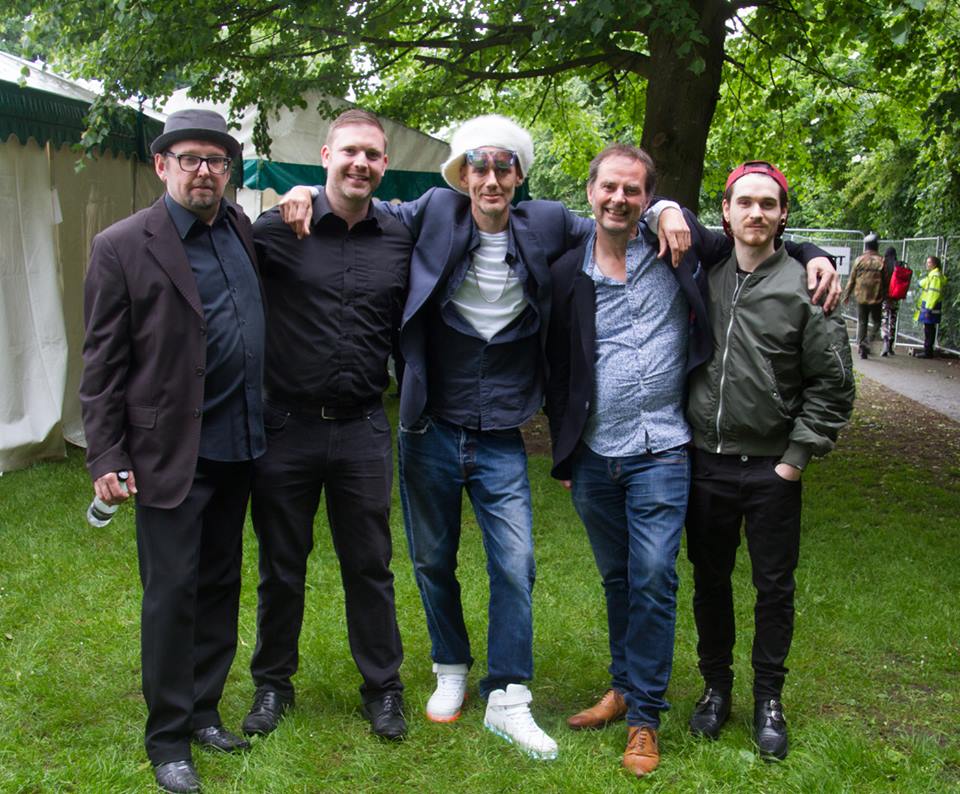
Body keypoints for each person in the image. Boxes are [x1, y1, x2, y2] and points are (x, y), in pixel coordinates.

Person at [278, 121, 838, 761]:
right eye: (480, 167)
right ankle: (493, 672)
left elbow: (736, 233)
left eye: (505, 168)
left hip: (590, 440)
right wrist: (306, 192)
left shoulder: (616, 236)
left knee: (590, 571)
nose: (492, 179)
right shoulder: (485, 230)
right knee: (489, 566)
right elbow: (361, 200)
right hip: (496, 433)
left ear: (521, 176)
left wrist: (807, 250)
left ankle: (578, 704)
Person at [544, 149, 839, 776]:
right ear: (590, 192)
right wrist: (564, 448)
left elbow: (762, 237)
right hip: (596, 453)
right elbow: (557, 361)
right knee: (619, 578)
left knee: (654, 575)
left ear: (649, 199)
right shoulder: (566, 268)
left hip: (665, 449)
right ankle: (624, 687)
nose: (619, 199)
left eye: (634, 191)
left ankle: (646, 719)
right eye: (609, 187)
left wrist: (817, 254)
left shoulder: (678, 250)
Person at [79, 109, 265, 794]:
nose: (204, 171)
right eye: (190, 158)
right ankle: (167, 739)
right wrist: (106, 454)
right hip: (168, 452)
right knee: (171, 595)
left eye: (216, 160)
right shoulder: (122, 245)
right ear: (162, 166)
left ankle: (204, 711)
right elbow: (102, 363)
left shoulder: (240, 227)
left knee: (220, 585)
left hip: (238, 445)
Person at [243, 110, 410, 742]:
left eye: (372, 154)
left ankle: (383, 689)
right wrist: (297, 195)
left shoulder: (400, 235)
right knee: (281, 564)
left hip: (363, 426)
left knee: (370, 565)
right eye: (349, 152)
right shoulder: (277, 227)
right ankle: (272, 686)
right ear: (325, 156)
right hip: (286, 426)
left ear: (384, 164)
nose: (360, 163)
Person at [684, 161, 854, 762]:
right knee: (709, 582)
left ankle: (768, 699)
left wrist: (795, 459)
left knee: (773, 587)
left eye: (768, 204)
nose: (756, 213)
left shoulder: (808, 286)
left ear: (783, 216)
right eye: (745, 202)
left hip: (772, 468)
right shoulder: (702, 276)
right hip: (705, 463)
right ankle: (716, 688)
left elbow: (833, 384)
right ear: (726, 212)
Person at [841, 232, 885, 359]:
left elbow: (851, 280)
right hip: (876, 297)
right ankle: (868, 342)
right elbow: (886, 280)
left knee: (862, 322)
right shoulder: (881, 261)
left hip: (861, 296)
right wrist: (887, 295)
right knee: (877, 322)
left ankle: (861, 347)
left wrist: (846, 295)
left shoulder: (859, 260)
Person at [913, 255, 946, 358]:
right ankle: (928, 351)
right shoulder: (933, 275)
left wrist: (928, 309)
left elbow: (933, 294)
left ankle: (928, 352)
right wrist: (919, 283)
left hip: (930, 306)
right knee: (929, 329)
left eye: (929, 262)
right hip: (930, 305)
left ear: (934, 264)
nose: (927, 264)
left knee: (929, 329)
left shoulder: (935, 276)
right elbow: (925, 283)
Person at [880, 246, 911, 356]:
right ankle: (890, 345)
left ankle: (885, 340)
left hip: (885, 296)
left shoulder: (883, 264)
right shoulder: (899, 264)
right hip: (896, 296)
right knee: (893, 320)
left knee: (884, 319)